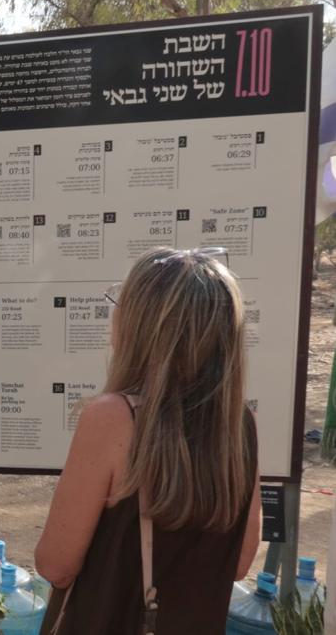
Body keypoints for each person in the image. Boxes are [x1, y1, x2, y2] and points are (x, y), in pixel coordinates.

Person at [35, 247, 261, 633]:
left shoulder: (113, 418)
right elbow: (239, 564)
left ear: (142, 324)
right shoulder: (239, 423)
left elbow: (56, 565)